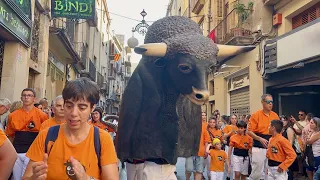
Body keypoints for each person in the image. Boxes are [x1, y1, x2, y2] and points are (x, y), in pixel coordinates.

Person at [22, 77, 119, 180]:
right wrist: (33, 178)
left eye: (82, 108)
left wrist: (86, 178)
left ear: (92, 108)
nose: (73, 113)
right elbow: (26, 177)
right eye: (69, 106)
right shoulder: (46, 136)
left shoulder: (102, 139)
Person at [6, 88, 48, 180]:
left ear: (34, 99)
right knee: (16, 177)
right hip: (17, 150)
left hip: (32, 152)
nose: (26, 97)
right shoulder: (13, 115)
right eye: (24, 95)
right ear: (21, 98)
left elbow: (44, 136)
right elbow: (11, 135)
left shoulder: (42, 115)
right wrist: (10, 152)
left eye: (29, 95)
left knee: (27, 177)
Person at [248, 94, 279, 180]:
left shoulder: (275, 116)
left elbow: (278, 132)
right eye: (268, 102)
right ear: (262, 103)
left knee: (268, 171)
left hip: (271, 146)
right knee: (257, 172)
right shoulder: (256, 115)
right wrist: (259, 138)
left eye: (272, 102)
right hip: (259, 145)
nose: (270, 104)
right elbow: (249, 131)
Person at [185, 112, 211, 180]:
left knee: (199, 170)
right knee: (189, 169)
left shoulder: (203, 127)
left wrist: (206, 151)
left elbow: (206, 140)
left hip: (200, 152)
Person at [280, 115, 300, 180]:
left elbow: (290, 142)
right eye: (281, 120)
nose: (283, 122)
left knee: (290, 170)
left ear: (287, 121)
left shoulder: (289, 129)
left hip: (289, 151)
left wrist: (287, 153)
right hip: (283, 151)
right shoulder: (281, 130)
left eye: (284, 120)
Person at [223, 114, 238, 180]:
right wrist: (230, 132)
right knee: (228, 161)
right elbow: (224, 136)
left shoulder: (239, 127)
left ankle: (234, 177)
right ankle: (228, 175)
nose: (234, 120)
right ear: (230, 119)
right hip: (228, 146)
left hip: (236, 147)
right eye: (232, 118)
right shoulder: (227, 127)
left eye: (235, 118)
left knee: (234, 163)